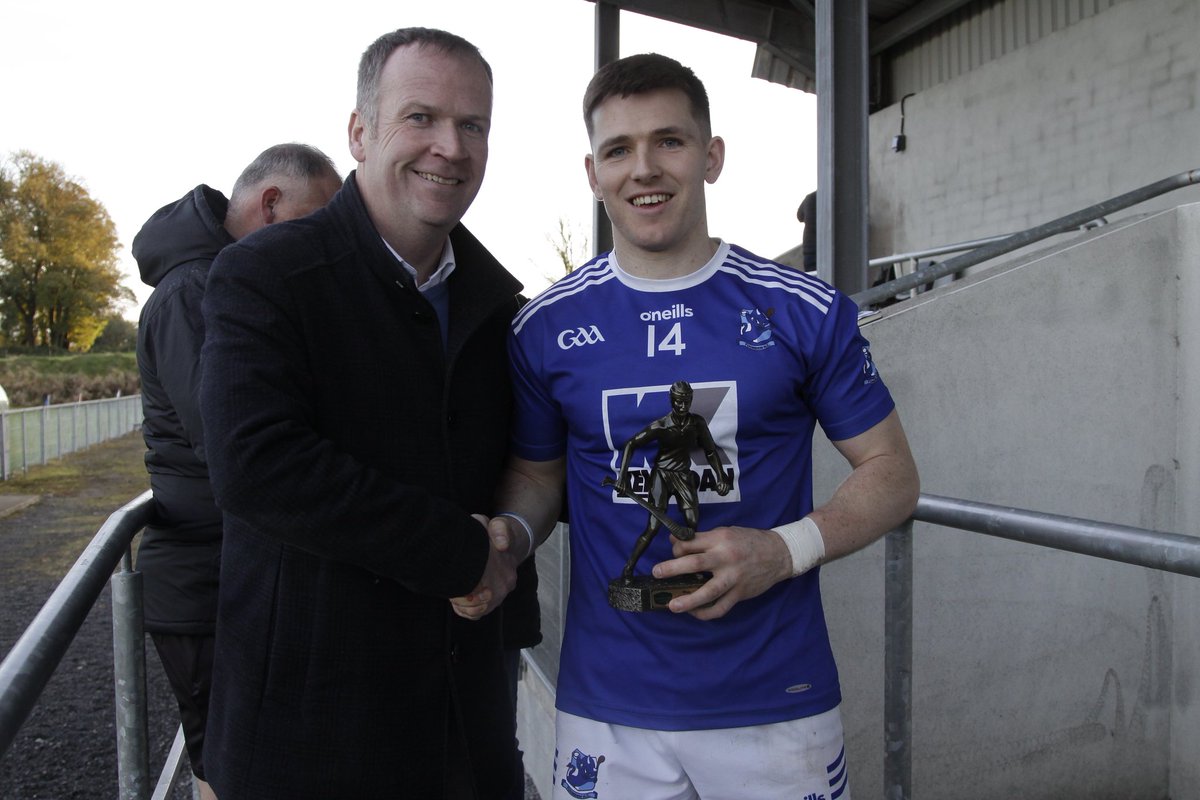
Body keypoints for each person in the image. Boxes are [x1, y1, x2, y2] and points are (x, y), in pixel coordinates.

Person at [482, 53, 920, 800]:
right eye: (619, 149)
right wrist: (512, 539)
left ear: (711, 156)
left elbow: (892, 473)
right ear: (593, 172)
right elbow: (535, 476)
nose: (644, 168)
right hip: (607, 710)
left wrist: (783, 551)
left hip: (775, 706)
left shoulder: (802, 310)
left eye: (670, 141)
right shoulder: (545, 327)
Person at [198, 28, 533, 800]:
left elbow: (530, 462)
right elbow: (256, 465)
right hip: (311, 738)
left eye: (473, 124)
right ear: (358, 131)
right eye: (421, 117)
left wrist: (509, 540)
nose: (450, 146)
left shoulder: (498, 306)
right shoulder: (265, 274)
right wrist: (459, 550)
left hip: (463, 730)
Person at [133, 142, 341, 800]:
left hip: (232, 571)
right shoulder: (197, 289)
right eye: (315, 224)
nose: (320, 247)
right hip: (206, 584)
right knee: (230, 775)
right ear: (272, 206)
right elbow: (230, 438)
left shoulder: (222, 284)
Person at [796, 189, 817, 271]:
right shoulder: (828, 197)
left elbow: (799, 216)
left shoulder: (809, 198)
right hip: (824, 251)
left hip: (809, 253)